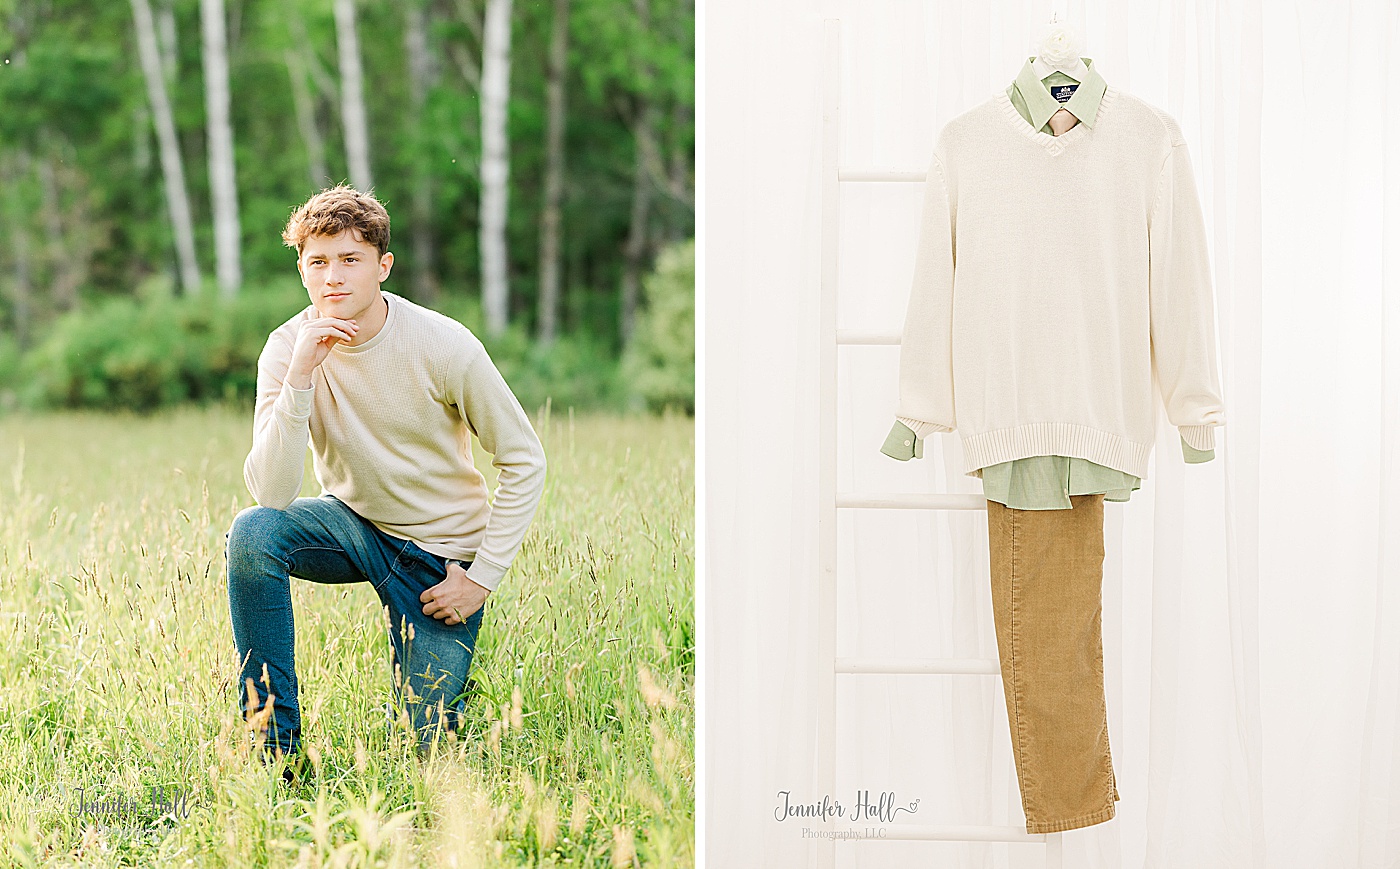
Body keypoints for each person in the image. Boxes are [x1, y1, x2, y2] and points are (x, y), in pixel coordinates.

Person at [225, 185, 547, 778]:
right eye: (317, 262)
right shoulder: (286, 348)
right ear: (301, 269)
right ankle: (274, 750)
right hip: (350, 524)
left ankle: (444, 696)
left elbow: (525, 459)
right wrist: (301, 375)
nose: (333, 278)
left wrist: (482, 579)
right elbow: (270, 493)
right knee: (252, 532)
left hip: (438, 556)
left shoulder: (444, 344)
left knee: (426, 748)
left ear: (383, 265)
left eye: (350, 259)